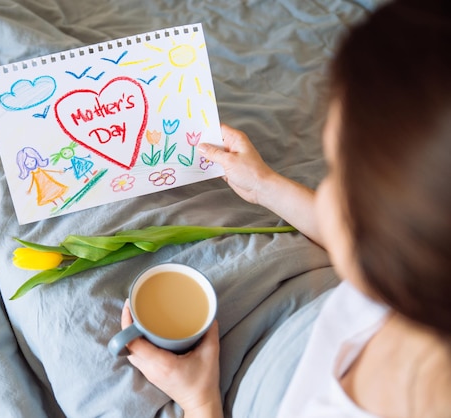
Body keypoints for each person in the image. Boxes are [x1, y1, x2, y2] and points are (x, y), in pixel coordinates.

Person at [120, 1, 451, 416]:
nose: (325, 188)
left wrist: (199, 400)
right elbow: (359, 241)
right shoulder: (422, 287)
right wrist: (264, 186)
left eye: (336, 172)